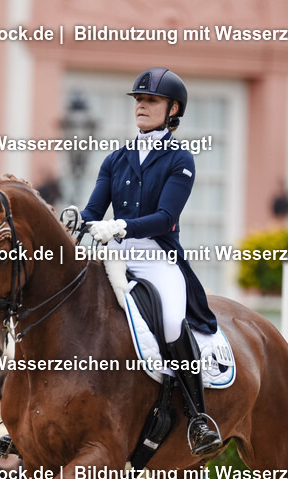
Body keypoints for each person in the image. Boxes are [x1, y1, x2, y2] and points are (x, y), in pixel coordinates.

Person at [76, 67, 221, 456]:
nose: (141, 105)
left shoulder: (180, 160)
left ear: (173, 109)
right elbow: (93, 210)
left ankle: (198, 418)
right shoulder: (116, 159)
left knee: (173, 321)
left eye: (151, 100)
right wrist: (76, 221)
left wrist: (120, 226)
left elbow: (165, 218)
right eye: (138, 100)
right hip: (114, 259)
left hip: (156, 259)